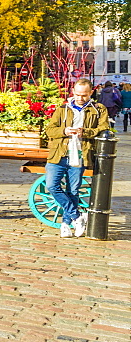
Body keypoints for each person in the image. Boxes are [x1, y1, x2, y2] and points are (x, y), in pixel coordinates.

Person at [44, 78, 109, 238]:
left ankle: (65, 225)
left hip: (80, 154)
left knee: (73, 190)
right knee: (52, 186)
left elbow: (104, 127)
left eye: (84, 95)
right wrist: (64, 131)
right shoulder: (63, 108)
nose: (80, 98)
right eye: (78, 94)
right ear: (73, 92)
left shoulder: (98, 109)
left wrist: (85, 132)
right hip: (59, 153)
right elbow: (50, 129)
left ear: (91, 93)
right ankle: (77, 216)